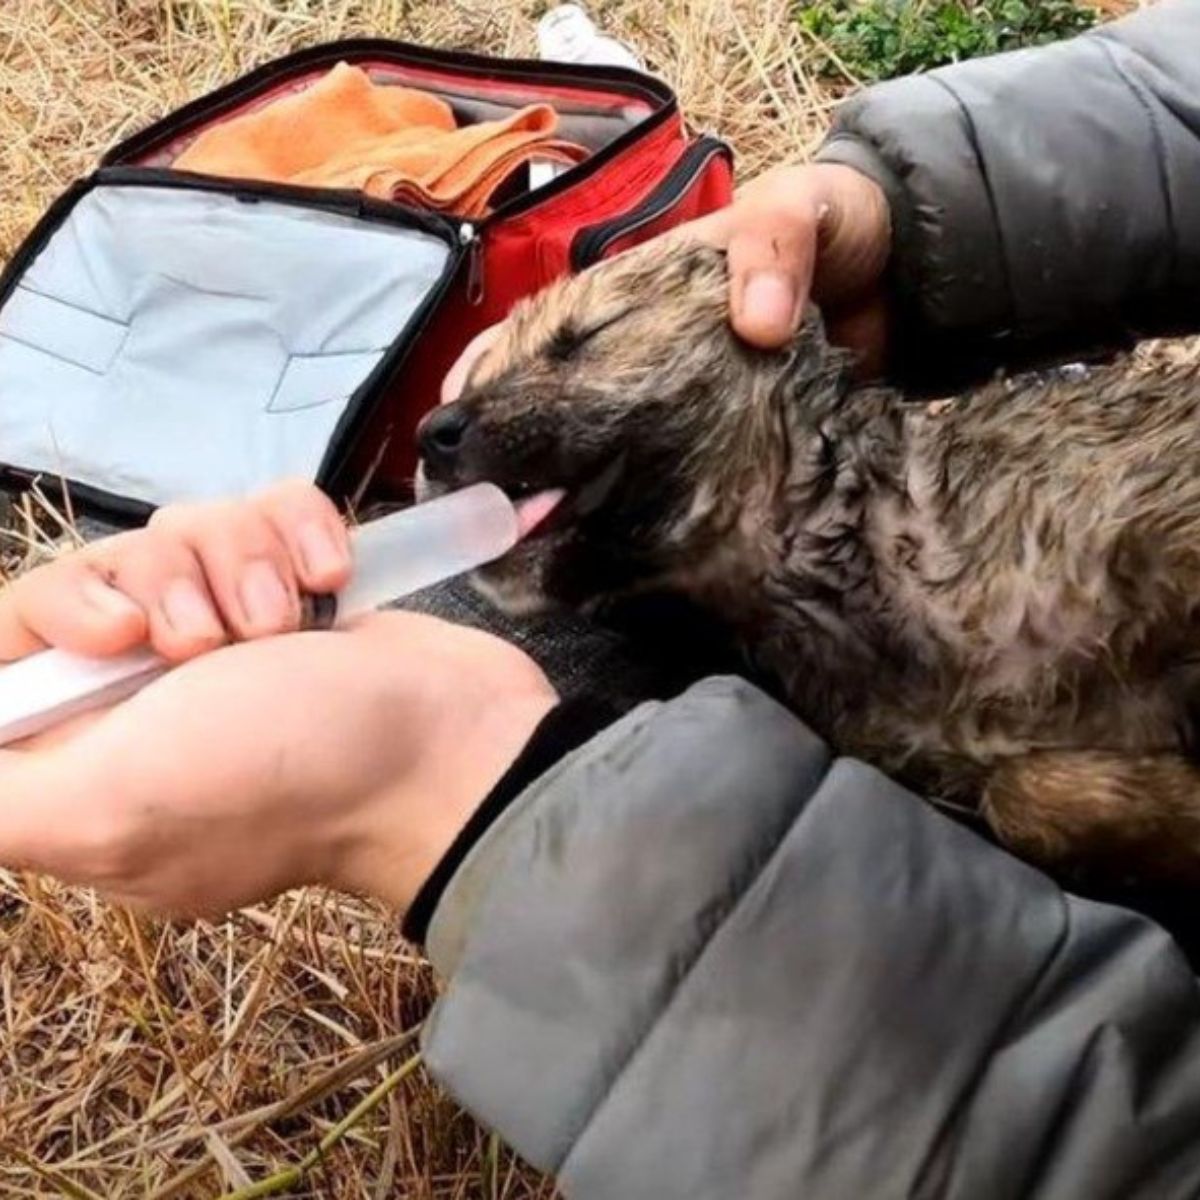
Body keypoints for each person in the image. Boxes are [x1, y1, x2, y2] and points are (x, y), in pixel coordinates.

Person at [4, 2, 1200, 1194]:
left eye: (578, 347)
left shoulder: (1073, 504)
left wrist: (438, 785)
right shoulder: (834, 684)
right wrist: (922, 210)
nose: (449, 429)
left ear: (773, 338)